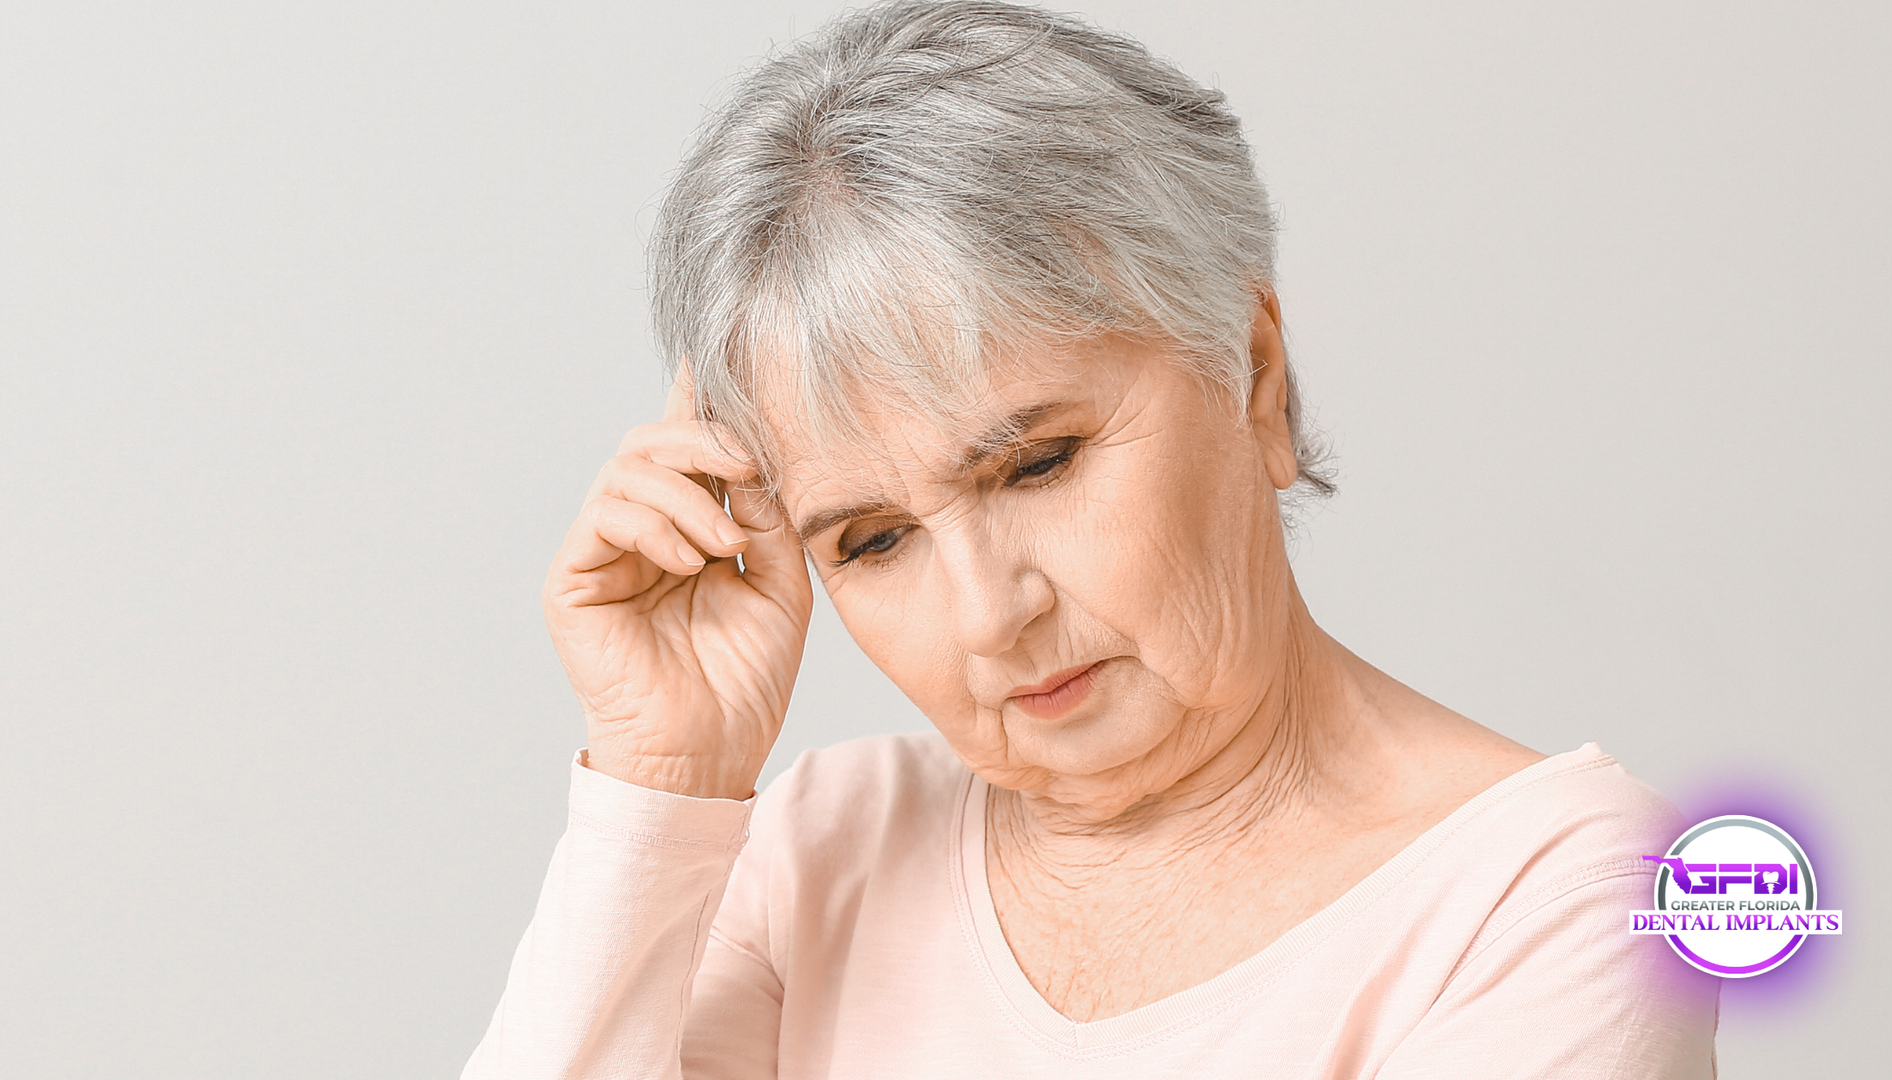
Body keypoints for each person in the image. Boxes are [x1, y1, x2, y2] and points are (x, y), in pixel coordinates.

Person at [464, 2, 1719, 1076]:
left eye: (1038, 464)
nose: (986, 613)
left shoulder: (1567, 895)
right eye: (873, 540)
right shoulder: (823, 849)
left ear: (1257, 378)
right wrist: (660, 777)